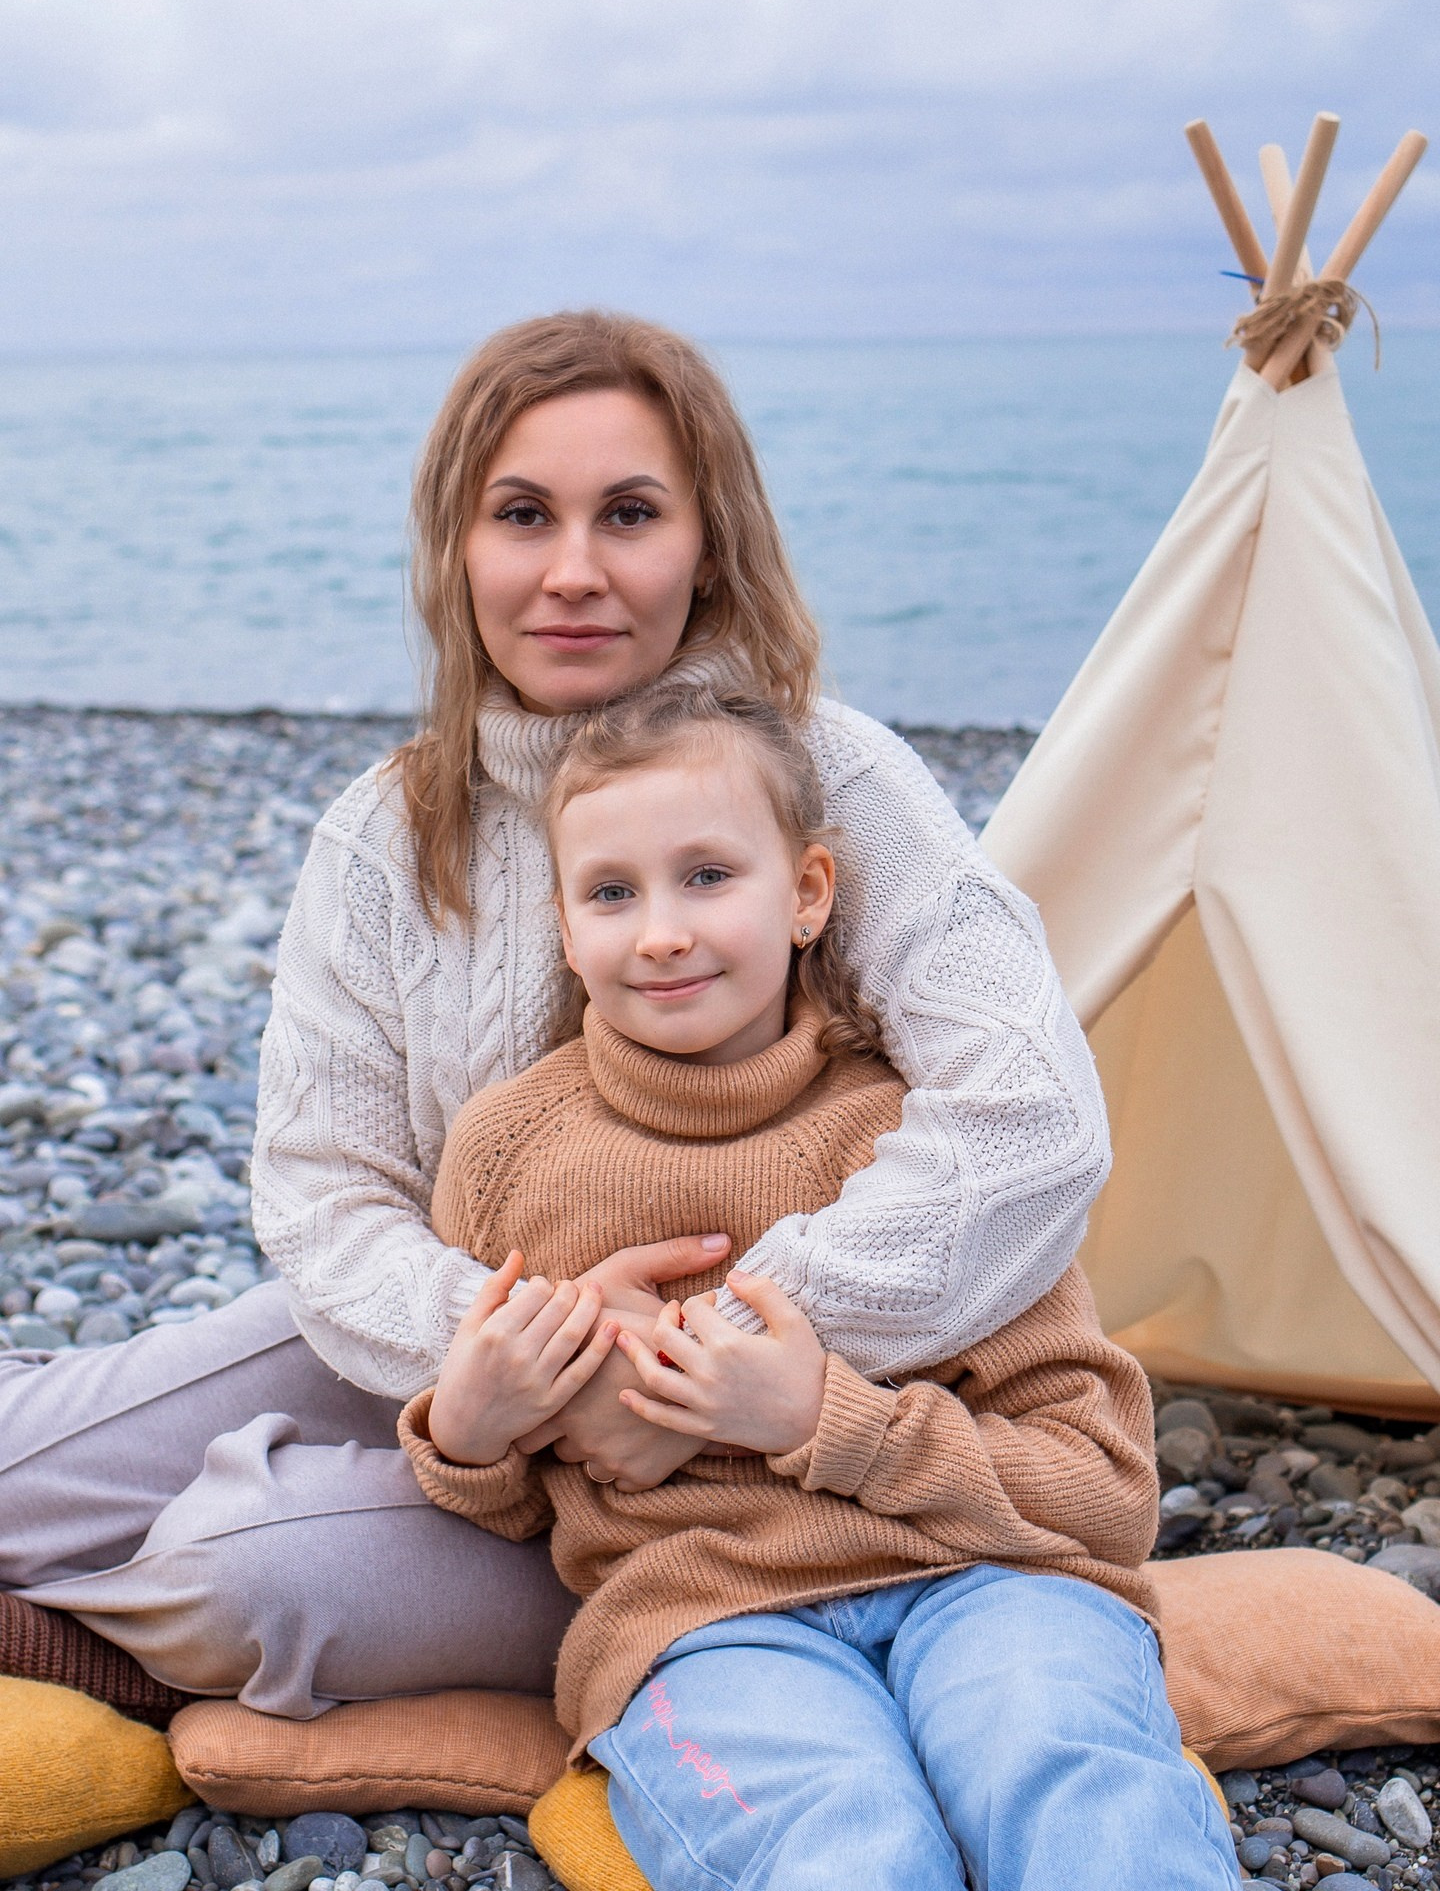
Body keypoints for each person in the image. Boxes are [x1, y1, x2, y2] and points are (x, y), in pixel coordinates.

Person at [0, 312, 1110, 1718]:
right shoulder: (386, 833)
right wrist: (528, 1364)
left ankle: (106, 1636)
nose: (573, 572)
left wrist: (688, 1369)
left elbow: (1034, 1125)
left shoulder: (834, 777)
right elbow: (327, 1202)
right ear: (457, 548)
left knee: (242, 1577)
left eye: (630, 515)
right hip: (464, 1348)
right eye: (522, 515)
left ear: (709, 540)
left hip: (759, 1447)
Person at [401, 683, 1238, 1891]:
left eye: (707, 877)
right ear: (564, 924)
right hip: (707, 1623)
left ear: (807, 895)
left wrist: (824, 1423)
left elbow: (1103, 1496)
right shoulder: (506, 1158)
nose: (661, 933)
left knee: (1065, 1772)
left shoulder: (926, 1148)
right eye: (612, 893)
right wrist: (470, 1432)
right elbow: (525, 1506)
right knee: (843, 1838)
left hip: (990, 1578)